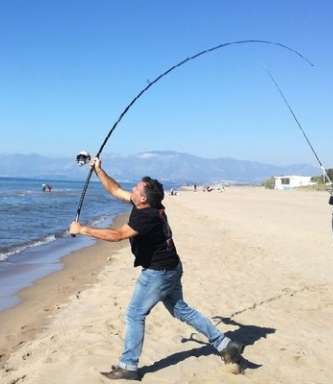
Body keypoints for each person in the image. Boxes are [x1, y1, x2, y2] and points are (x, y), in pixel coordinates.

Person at [69, 158, 244, 380]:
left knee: (135, 313)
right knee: (181, 310)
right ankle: (226, 344)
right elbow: (115, 190)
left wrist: (83, 229)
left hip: (159, 272)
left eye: (136, 188)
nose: (131, 189)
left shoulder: (147, 216)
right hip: (171, 267)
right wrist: (98, 170)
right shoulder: (146, 204)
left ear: (142, 198)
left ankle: (129, 366)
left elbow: (118, 235)